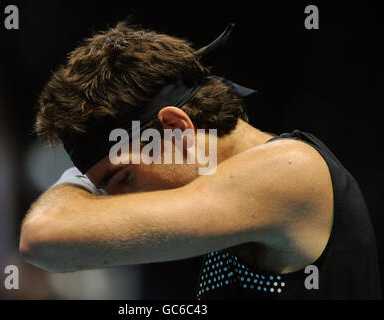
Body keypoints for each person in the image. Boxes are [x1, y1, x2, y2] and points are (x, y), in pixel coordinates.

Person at [19, 22, 381, 299]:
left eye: (123, 177)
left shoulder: (288, 169)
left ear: (177, 127)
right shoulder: (227, 199)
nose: (117, 204)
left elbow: (43, 236)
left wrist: (77, 181)